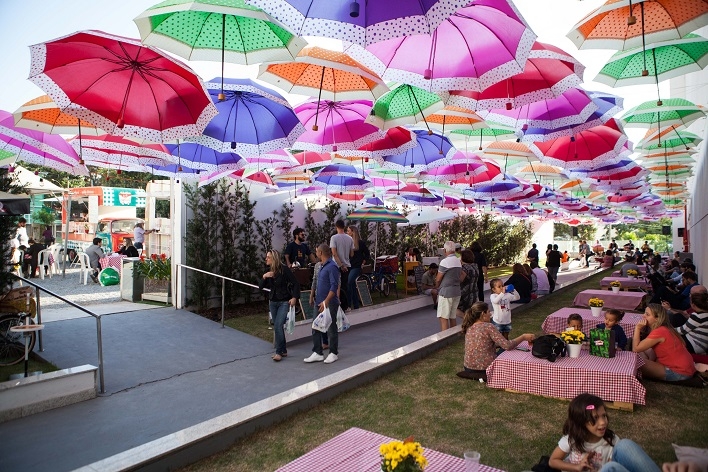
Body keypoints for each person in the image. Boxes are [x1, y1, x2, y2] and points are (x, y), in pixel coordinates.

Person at [548, 393, 619, 472]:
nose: (603, 422)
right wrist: (577, 467)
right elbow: (553, 461)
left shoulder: (612, 440)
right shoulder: (572, 439)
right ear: (581, 421)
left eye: (604, 416)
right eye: (595, 418)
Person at [462, 302, 534, 376]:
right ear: (483, 314)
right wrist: (523, 337)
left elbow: (481, 344)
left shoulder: (469, 326)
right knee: (508, 349)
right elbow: (507, 346)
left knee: (503, 347)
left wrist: (498, 344)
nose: (490, 314)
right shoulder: (488, 326)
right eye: (489, 312)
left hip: (468, 368)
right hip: (485, 369)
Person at [632, 303, 696, 382]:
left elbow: (635, 348)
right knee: (644, 351)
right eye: (645, 313)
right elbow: (648, 349)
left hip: (679, 372)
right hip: (687, 369)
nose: (643, 316)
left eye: (647, 314)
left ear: (657, 318)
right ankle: (650, 366)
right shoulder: (664, 328)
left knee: (633, 361)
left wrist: (637, 328)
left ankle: (647, 368)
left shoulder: (659, 332)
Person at [258, 249, 300, 362]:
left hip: (284, 302)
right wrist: (265, 276)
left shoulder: (284, 270)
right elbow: (260, 287)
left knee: (277, 325)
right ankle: (284, 350)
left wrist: (295, 297)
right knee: (278, 326)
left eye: (268, 257)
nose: (266, 259)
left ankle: (278, 352)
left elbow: (296, 283)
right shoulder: (268, 271)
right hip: (273, 302)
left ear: (274, 258)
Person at [305, 244, 340, 364]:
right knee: (315, 326)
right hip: (319, 302)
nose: (315, 254)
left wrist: (326, 301)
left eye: (316, 252)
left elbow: (334, 286)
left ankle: (333, 353)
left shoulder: (332, 267)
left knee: (331, 328)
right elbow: (316, 282)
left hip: (329, 303)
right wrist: (313, 296)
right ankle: (317, 352)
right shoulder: (320, 266)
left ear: (320, 253)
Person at [435, 241, 464, 331]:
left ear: (445, 250)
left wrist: (437, 286)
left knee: (443, 317)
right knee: (452, 316)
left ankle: (445, 338)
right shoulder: (458, 261)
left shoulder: (445, 262)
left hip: (446, 292)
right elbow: (462, 275)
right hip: (456, 291)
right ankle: (453, 335)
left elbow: (438, 278)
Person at [330, 220, 353, 312]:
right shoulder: (350, 238)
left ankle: (337, 305)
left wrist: (341, 265)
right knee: (344, 286)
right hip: (348, 264)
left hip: (336, 265)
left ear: (336, 226)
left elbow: (334, 254)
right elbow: (351, 254)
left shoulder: (334, 238)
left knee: (335, 286)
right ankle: (346, 305)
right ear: (344, 226)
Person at [347, 225, 369, 310]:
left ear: (353, 232)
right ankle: (355, 305)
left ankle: (349, 304)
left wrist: (363, 262)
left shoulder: (360, 243)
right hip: (349, 265)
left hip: (356, 266)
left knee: (350, 282)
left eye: (348, 231)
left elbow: (367, 254)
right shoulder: (348, 242)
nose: (347, 233)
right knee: (352, 285)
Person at [457, 249, 479, 319]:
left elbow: (460, 279)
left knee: (453, 308)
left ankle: (467, 319)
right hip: (474, 292)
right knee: (471, 311)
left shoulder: (465, 268)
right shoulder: (475, 266)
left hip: (465, 294)